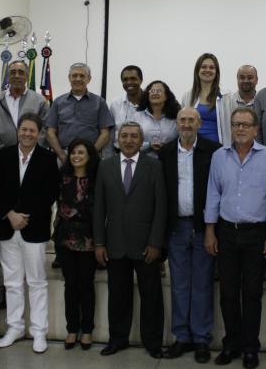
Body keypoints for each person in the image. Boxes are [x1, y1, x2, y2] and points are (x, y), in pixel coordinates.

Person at [204, 107, 266, 369]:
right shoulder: (219, 156)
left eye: (246, 125)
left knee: (252, 293)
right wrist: (210, 230)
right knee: (227, 293)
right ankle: (231, 345)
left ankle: (250, 348)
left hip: (256, 234)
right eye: (236, 124)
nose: (240, 129)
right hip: (226, 232)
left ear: (256, 129)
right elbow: (213, 193)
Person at [94, 122, 166, 359]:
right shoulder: (105, 166)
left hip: (146, 245)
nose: (128, 140)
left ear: (141, 141)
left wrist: (155, 242)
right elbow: (99, 207)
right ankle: (118, 339)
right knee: (118, 295)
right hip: (115, 244)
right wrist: (99, 243)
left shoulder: (154, 166)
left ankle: (153, 343)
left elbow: (161, 207)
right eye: (124, 136)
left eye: (134, 136)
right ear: (117, 140)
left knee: (151, 296)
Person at [0, 113, 60, 353]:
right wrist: (10, 214)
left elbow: (50, 193)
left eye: (32, 130)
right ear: (18, 130)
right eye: (24, 129)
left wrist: (25, 216)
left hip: (34, 228)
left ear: (39, 133)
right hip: (7, 227)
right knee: (12, 282)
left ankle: (39, 332)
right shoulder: (3, 156)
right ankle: (15, 328)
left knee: (37, 281)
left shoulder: (48, 159)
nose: (27, 134)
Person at [158, 107, 221, 363]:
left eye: (191, 120)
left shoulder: (213, 151)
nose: (186, 124)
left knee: (202, 284)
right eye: (182, 120)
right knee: (180, 285)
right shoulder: (165, 152)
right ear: (177, 123)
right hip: (176, 228)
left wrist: (211, 228)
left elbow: (217, 190)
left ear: (199, 124)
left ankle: (202, 339)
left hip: (202, 227)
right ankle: (182, 337)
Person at [54, 138, 100, 351]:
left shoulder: (97, 178)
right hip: (64, 237)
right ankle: (72, 329)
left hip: (89, 238)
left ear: (89, 156)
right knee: (70, 285)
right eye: (73, 152)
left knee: (86, 285)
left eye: (81, 152)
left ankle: (87, 330)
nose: (76, 156)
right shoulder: (61, 177)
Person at [46, 62, 114, 163]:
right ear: (69, 78)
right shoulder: (58, 102)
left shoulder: (99, 102)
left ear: (89, 79)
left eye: (82, 76)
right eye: (74, 75)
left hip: (91, 156)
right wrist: (62, 156)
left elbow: (105, 133)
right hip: (64, 155)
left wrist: (90, 155)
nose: (78, 79)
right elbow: (50, 132)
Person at [0, 60, 50, 147]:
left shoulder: (39, 101)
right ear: (8, 76)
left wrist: (33, 148)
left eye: (21, 73)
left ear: (27, 76)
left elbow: (46, 128)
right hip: (2, 152)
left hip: (32, 152)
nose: (16, 76)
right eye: (13, 73)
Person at [181, 53, 232, 145]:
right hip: (194, 147)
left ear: (216, 72)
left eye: (212, 67)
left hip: (219, 148)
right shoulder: (187, 96)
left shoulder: (227, 96)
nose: (207, 70)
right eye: (204, 67)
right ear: (197, 70)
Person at [135, 80, 180, 158]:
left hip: (170, 160)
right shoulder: (137, 116)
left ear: (166, 96)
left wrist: (167, 147)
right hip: (144, 160)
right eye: (152, 91)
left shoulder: (176, 117)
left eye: (159, 91)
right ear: (148, 95)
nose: (155, 93)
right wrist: (149, 145)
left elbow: (182, 140)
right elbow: (132, 141)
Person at [108, 65, 144, 156]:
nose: (129, 82)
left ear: (141, 80)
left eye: (133, 78)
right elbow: (111, 134)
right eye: (125, 79)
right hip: (119, 154)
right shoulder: (115, 104)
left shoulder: (151, 103)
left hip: (146, 155)